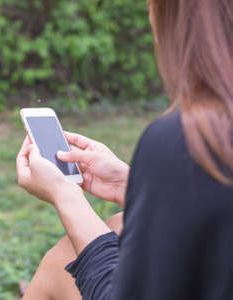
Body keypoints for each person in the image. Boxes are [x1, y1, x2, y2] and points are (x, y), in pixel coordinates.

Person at [16, 0, 233, 299]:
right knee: (119, 223)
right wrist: (134, 188)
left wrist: (66, 195)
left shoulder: (192, 138)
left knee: (61, 263)